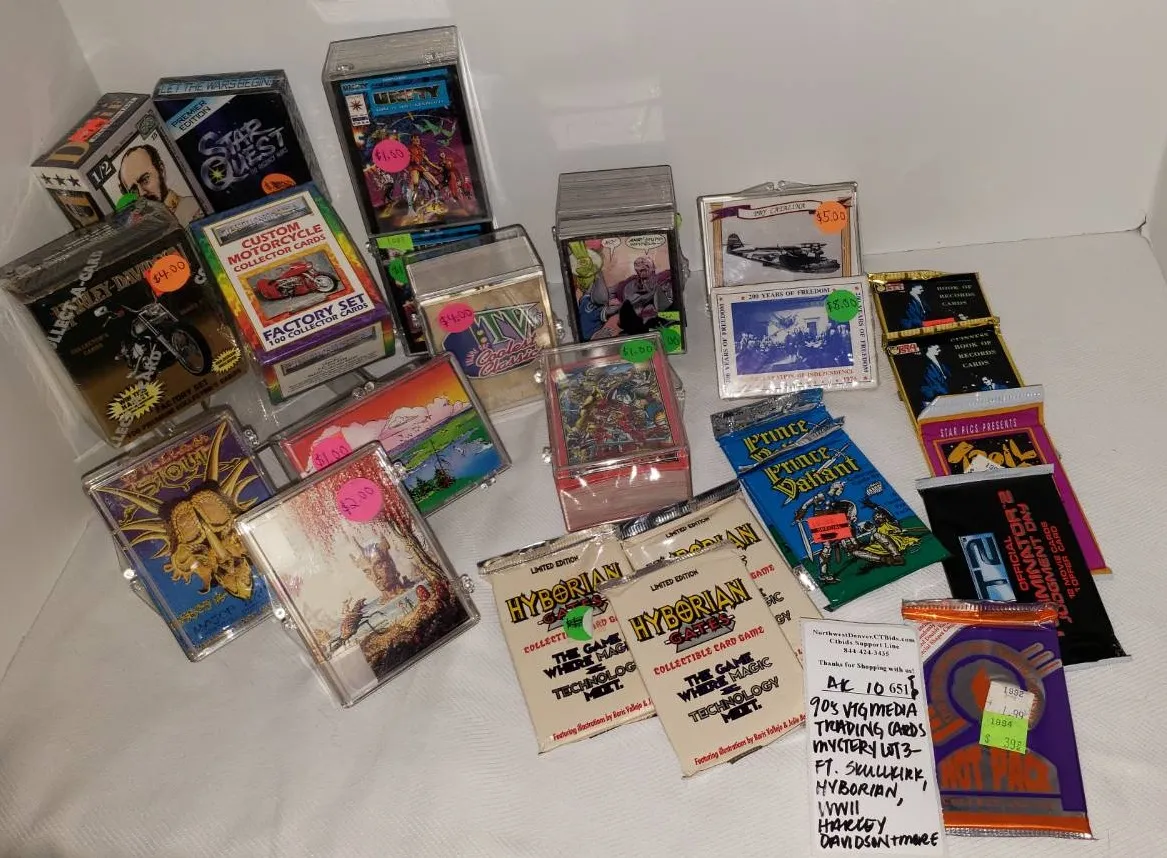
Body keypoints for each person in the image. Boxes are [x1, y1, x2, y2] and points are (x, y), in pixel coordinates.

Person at [117, 144, 201, 225]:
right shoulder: (146, 229)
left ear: (161, 170)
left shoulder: (194, 209)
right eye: (134, 190)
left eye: (145, 180)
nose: (141, 194)